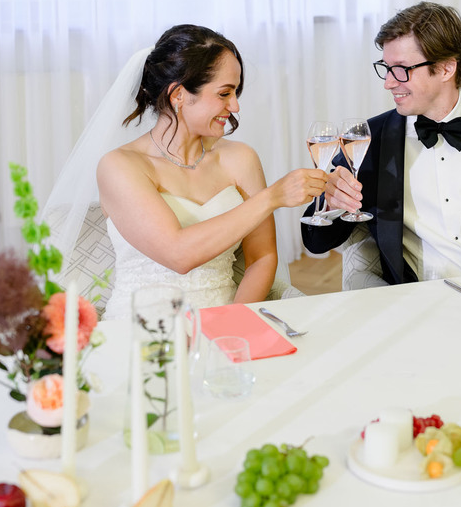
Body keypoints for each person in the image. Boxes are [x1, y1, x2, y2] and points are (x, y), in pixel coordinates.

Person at [47, 25, 326, 318]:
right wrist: (272, 198)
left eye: (236, 92)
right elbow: (178, 255)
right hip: (142, 332)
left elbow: (263, 257)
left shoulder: (240, 158)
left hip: (227, 321)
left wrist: (233, 321)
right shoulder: (120, 166)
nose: (235, 105)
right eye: (224, 93)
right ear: (178, 95)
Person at [302, 2, 461, 285]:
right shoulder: (370, 141)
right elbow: (316, 241)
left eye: (400, 69)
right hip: (418, 302)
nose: (388, 82)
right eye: (385, 68)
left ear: (447, 68)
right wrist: (331, 202)